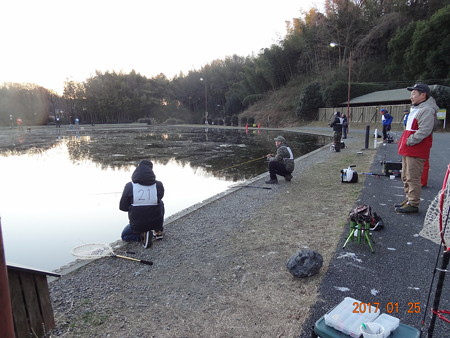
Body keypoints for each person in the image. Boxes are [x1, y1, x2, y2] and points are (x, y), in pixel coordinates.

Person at [395, 84, 438, 214]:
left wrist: (410, 141)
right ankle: (408, 199)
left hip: (415, 149)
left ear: (423, 95)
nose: (411, 96)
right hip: (408, 148)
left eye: (414, 93)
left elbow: (424, 130)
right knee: (405, 176)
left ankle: (413, 203)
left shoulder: (427, 110)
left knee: (413, 177)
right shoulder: (417, 108)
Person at [119, 159, 165, 248]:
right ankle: (158, 231)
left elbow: (123, 207)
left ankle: (142, 236)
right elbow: (160, 197)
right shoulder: (158, 185)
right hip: (156, 221)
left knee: (125, 236)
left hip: (137, 224)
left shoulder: (129, 186)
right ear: (151, 170)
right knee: (160, 202)